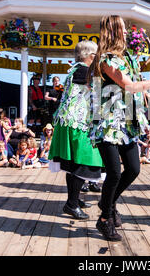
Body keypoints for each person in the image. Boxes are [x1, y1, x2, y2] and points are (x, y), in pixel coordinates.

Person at [88, 15, 150, 241]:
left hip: (127, 122)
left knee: (134, 169)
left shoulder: (127, 58)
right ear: (113, 31)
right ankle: (105, 218)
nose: (127, 33)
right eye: (123, 29)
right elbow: (129, 87)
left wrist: (148, 108)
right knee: (114, 172)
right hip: (108, 123)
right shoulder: (107, 60)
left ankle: (106, 202)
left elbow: (134, 91)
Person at [48, 40, 104, 220]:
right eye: (97, 55)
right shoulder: (84, 71)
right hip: (77, 123)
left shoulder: (75, 69)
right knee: (85, 161)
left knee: (74, 165)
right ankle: (71, 204)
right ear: (90, 56)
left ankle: (74, 199)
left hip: (70, 122)